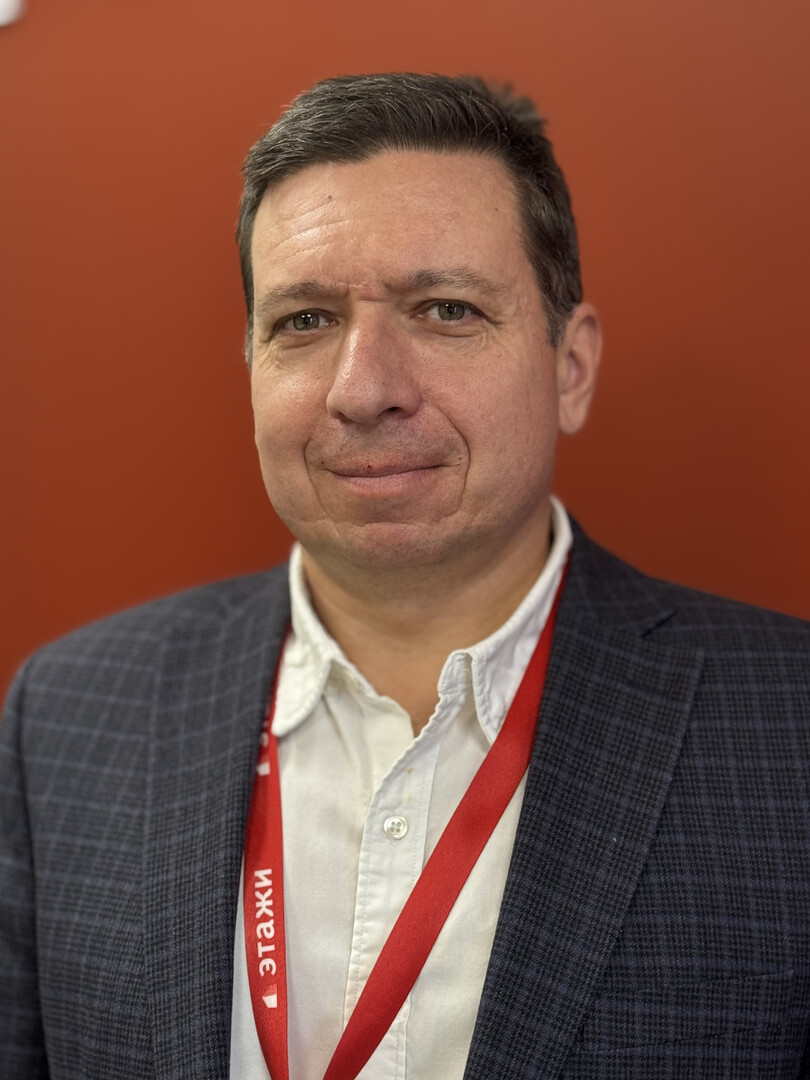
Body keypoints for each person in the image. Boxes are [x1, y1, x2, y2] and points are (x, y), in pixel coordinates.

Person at [1, 73, 809, 1080]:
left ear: (570, 367)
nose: (364, 389)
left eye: (445, 309)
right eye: (305, 321)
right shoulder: (67, 717)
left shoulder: (788, 727)